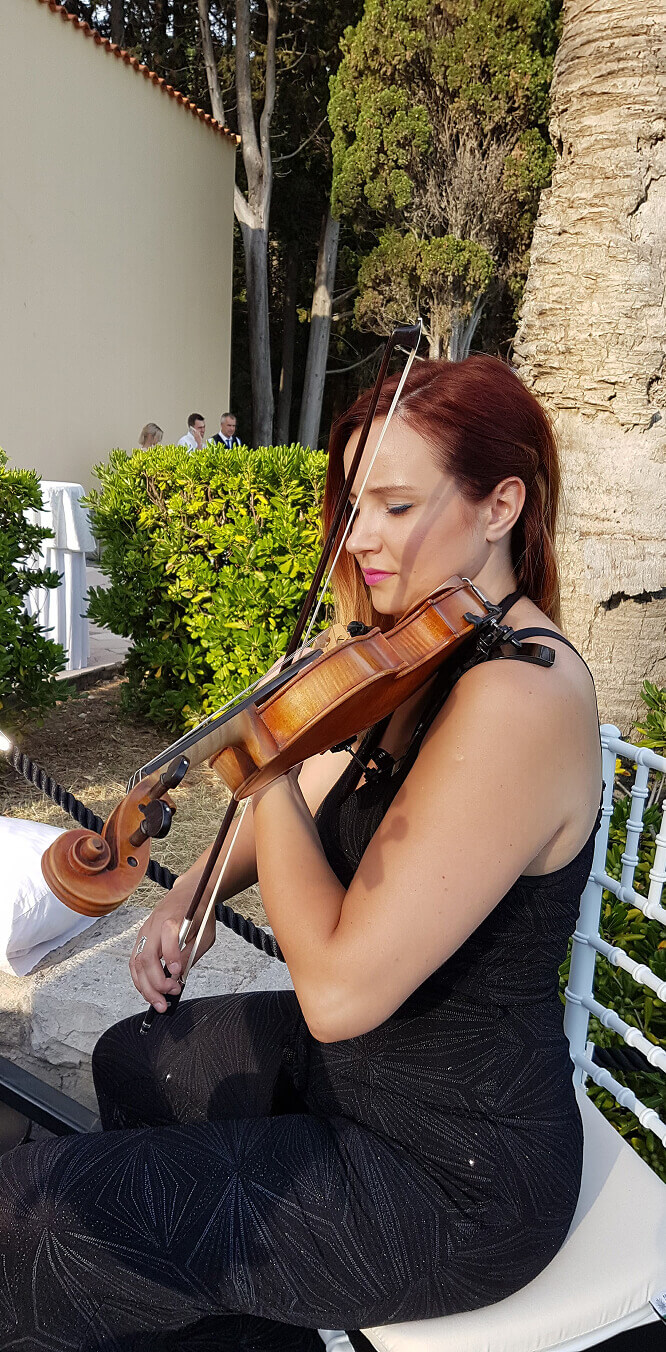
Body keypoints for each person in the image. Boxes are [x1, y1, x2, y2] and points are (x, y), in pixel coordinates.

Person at [0, 356, 602, 1351]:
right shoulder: (424, 645)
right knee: (134, 1056)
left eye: (396, 505)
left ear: (501, 504)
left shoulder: (519, 699)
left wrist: (264, 762)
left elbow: (339, 990)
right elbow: (329, 784)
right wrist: (186, 894)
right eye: (353, 502)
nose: (356, 537)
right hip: (360, 1078)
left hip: (454, 1170)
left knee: (33, 1221)